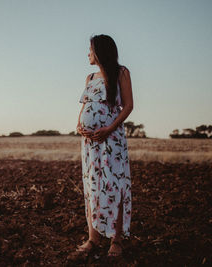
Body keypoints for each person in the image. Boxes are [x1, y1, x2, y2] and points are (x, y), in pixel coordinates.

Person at [75, 34, 133, 259]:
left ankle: (116, 240)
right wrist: (79, 125)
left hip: (111, 140)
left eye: (90, 49)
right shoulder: (89, 77)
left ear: (99, 51)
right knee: (91, 187)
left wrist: (108, 129)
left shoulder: (121, 73)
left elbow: (128, 106)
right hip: (89, 144)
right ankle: (92, 238)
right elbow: (84, 106)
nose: (87, 54)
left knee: (114, 185)